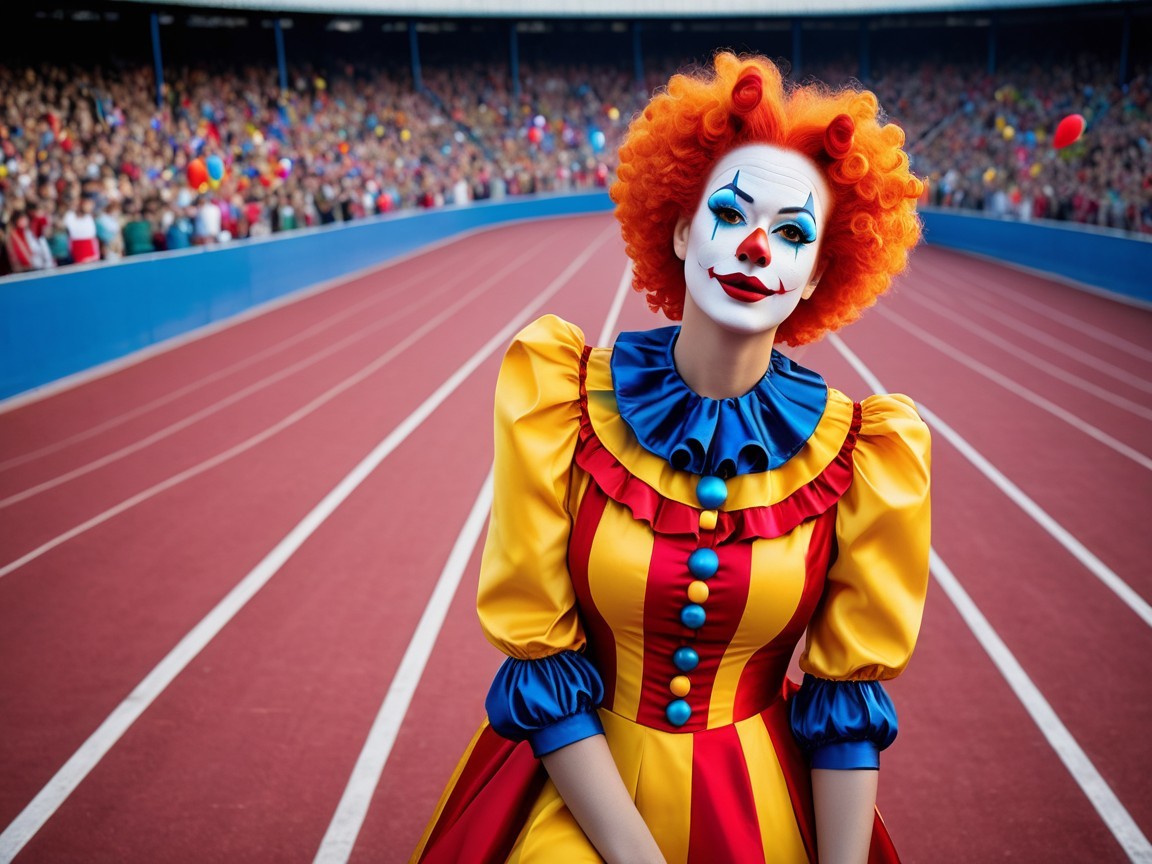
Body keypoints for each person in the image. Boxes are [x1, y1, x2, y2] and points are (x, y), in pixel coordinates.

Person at [413, 52, 930, 864]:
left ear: (816, 276)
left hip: (756, 798)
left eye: (793, 234)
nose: (756, 248)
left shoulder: (864, 452)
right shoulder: (561, 398)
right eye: (731, 214)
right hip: (583, 792)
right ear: (683, 229)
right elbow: (541, 660)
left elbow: (844, 710)